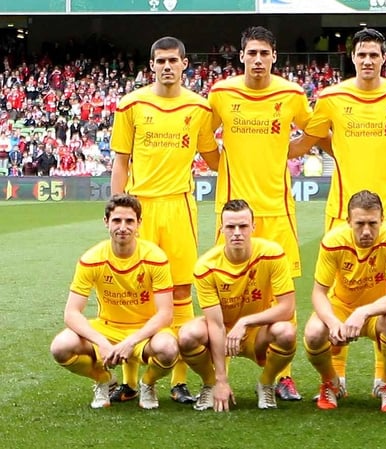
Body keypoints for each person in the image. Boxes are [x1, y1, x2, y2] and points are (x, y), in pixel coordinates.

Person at [289, 27, 386, 397]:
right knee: (339, 298)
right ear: (352, 58)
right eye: (361, 54)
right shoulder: (332, 97)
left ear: (385, 58)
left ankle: (385, 382)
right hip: (340, 213)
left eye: (374, 54)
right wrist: (264, 149)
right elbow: (308, 140)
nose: (368, 60)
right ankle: (335, 380)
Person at [110, 36, 219, 405]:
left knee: (179, 291)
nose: (168, 66)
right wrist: (118, 208)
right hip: (141, 206)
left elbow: (214, 157)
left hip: (180, 207)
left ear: (185, 64)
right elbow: (121, 160)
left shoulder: (199, 108)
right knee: (136, 290)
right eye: (161, 60)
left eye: (174, 60)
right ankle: (129, 379)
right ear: (151, 64)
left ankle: (178, 380)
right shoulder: (132, 104)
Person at [208, 26, 312, 401]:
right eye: (251, 52)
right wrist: (223, 167)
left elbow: (313, 131)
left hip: (277, 211)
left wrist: (290, 152)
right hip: (234, 213)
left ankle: (282, 375)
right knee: (222, 292)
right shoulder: (221, 94)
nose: (257, 59)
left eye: (264, 53)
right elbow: (206, 139)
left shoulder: (291, 94)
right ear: (241, 56)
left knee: (282, 294)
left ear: (274, 56)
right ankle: (221, 375)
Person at [49, 194, 178, 409]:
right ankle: (103, 379)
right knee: (61, 347)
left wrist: (131, 342)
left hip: (146, 330)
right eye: (117, 220)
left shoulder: (155, 257)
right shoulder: (91, 259)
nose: (123, 227)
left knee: (168, 348)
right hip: (108, 328)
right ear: (106, 222)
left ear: (139, 224)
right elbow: (71, 313)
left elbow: (165, 314)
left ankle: (147, 383)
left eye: (129, 221)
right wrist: (101, 342)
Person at [179, 199, 297, 411]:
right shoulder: (206, 266)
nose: (237, 233)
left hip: (257, 332)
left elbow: (287, 308)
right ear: (221, 229)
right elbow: (214, 324)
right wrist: (221, 379)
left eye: (243, 226)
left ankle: (266, 383)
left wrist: (245, 322)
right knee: (187, 335)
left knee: (286, 332)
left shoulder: (272, 253)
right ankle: (210, 383)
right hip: (222, 331)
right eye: (230, 227)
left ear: (253, 227)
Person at [303, 190, 386, 412]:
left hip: (378, 311)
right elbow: (319, 293)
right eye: (360, 223)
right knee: (313, 333)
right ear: (348, 221)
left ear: (382, 219)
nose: (367, 231)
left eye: (373, 223)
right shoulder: (333, 240)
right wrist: (333, 322)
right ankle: (331, 383)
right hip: (341, 306)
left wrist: (363, 312)